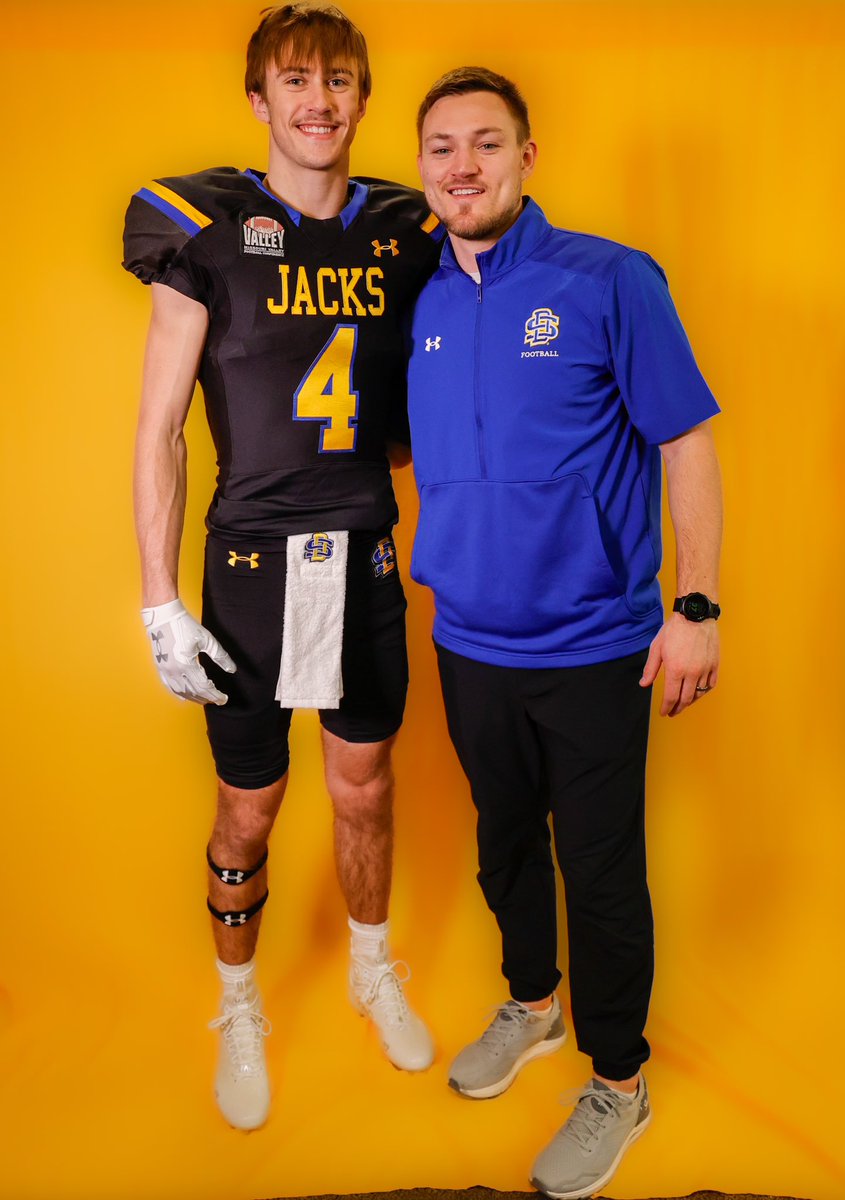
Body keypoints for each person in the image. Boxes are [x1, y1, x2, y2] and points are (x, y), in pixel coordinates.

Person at [122, 4, 443, 1131]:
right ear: (258, 99)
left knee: (363, 787)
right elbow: (162, 425)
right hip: (253, 560)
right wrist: (159, 601)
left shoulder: (405, 227)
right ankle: (241, 998)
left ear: (363, 97)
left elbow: (416, 406)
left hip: (362, 553)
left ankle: (367, 965)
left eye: (340, 81)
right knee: (248, 807)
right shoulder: (203, 226)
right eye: (295, 79)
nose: (319, 100)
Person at [407, 67, 722, 1199]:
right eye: (440, 147)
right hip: (466, 640)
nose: (461, 166)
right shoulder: (426, 299)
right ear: (424, 168)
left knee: (598, 870)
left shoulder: (608, 279)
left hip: (595, 644)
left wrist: (694, 606)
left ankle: (620, 1081)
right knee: (501, 845)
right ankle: (532, 1005)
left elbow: (683, 438)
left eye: (485, 144)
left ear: (526, 157)